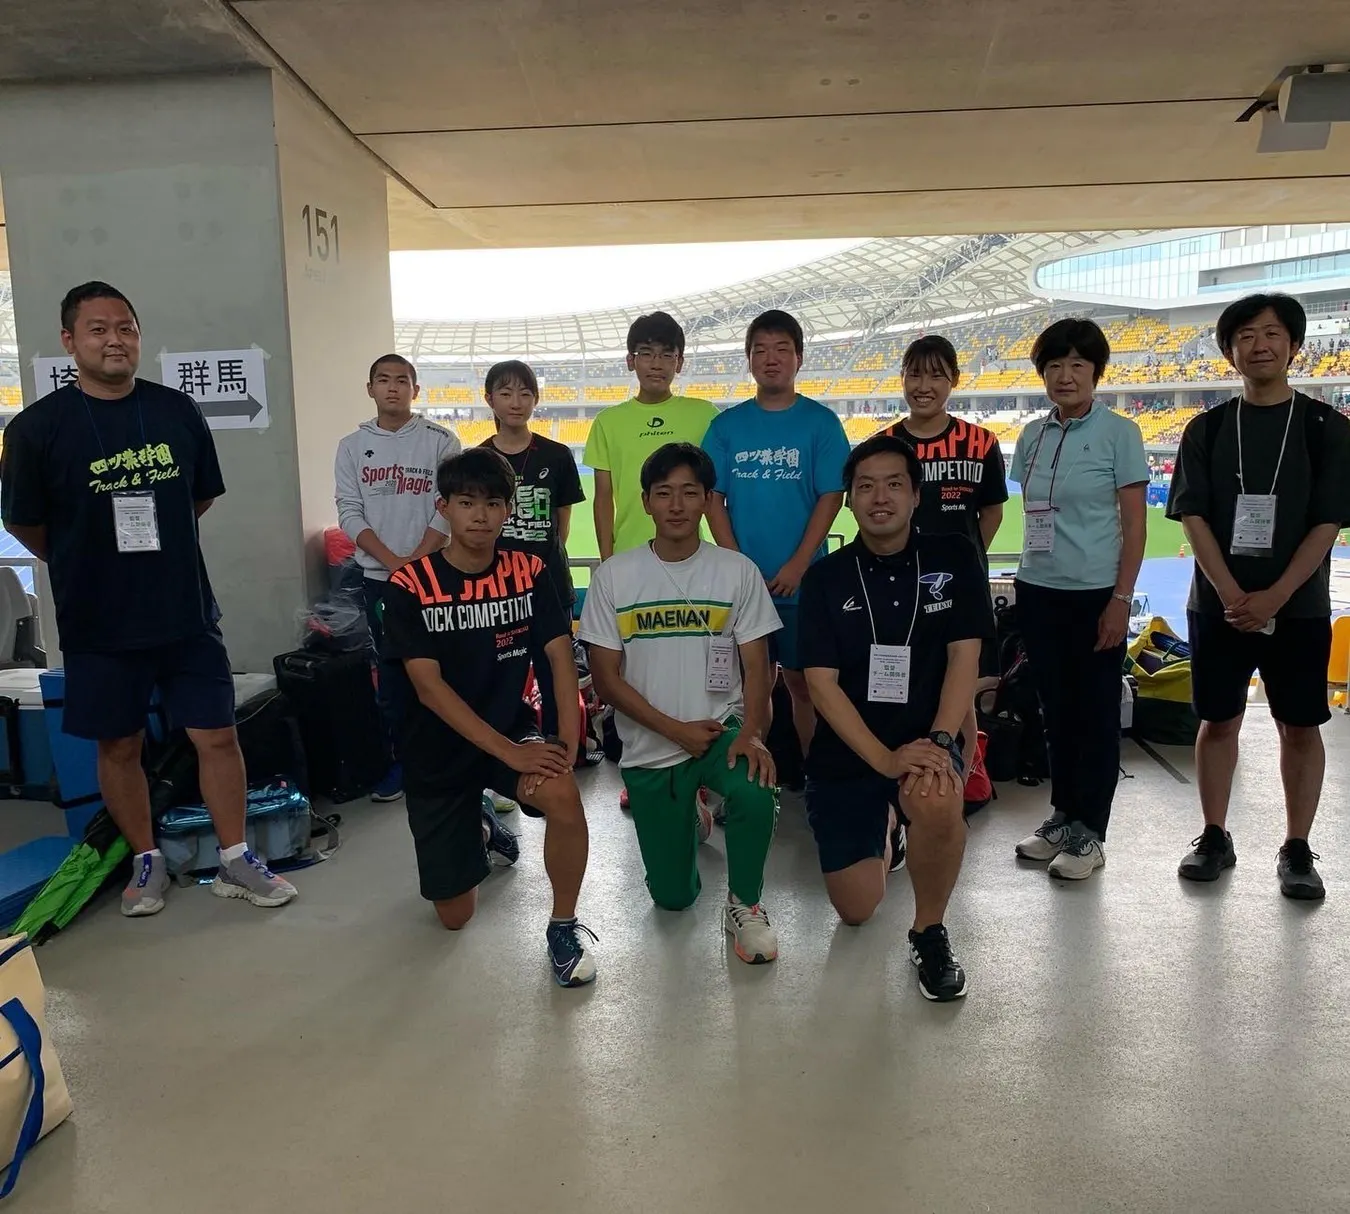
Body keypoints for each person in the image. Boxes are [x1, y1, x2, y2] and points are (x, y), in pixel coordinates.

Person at [0, 281, 296, 916]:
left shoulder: (176, 411)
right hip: (99, 622)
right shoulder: (35, 430)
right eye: (99, 329)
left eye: (126, 328)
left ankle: (236, 858)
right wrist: (84, 559)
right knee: (119, 746)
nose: (115, 340)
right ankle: (145, 860)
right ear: (69, 341)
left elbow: (198, 497)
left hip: (184, 612)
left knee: (217, 736)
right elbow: (25, 522)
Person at [381, 448, 597, 987]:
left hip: (508, 729)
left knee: (561, 792)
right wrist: (510, 754)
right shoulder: (410, 585)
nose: (480, 515)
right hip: (436, 748)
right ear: (444, 508)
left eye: (493, 503)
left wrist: (566, 742)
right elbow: (428, 688)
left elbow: (557, 655)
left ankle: (563, 926)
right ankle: (481, 823)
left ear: (508, 510)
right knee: (456, 917)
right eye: (466, 502)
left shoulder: (530, 570)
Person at [1168, 293, 1350, 899]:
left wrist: (1275, 595)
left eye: (1272, 334)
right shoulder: (1208, 428)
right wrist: (1231, 593)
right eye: (1245, 335)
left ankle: (1297, 846)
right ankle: (1213, 835)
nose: (1259, 345)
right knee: (1218, 720)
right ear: (1229, 352)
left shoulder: (1327, 428)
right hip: (1217, 606)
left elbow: (1328, 521)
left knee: (1299, 725)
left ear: (1294, 346)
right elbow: (1193, 516)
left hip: (1298, 608)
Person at [799, 435, 991, 1001]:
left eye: (893, 484)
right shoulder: (826, 578)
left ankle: (929, 931)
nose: (879, 497)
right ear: (849, 499)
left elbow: (964, 657)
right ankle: (887, 821)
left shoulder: (954, 556)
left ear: (915, 495)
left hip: (925, 734)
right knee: (857, 909)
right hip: (851, 749)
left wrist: (940, 740)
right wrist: (885, 761)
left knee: (935, 795)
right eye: (865, 487)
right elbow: (820, 684)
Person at [579, 443, 782, 964]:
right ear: (646, 501)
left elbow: (758, 665)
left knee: (756, 788)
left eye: (690, 493)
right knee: (674, 898)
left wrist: (751, 734)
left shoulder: (737, 571)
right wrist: (676, 731)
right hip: (652, 745)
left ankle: (745, 905)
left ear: (708, 500)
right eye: (664, 493)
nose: (676, 505)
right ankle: (692, 815)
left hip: (720, 730)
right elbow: (605, 680)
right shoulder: (614, 576)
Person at [1009, 318, 1148, 879]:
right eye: (1054, 366)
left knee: (1094, 715)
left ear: (1095, 372)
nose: (1064, 376)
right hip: (1038, 588)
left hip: (1095, 595)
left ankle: (1092, 831)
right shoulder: (1032, 436)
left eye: (1077, 365)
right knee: (1055, 710)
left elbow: (1134, 526)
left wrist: (1121, 598)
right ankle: (1063, 815)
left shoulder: (1120, 433)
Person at [703, 309, 850, 767]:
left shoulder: (821, 423)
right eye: (760, 350)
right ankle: (752, 773)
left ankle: (815, 773)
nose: (771, 359)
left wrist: (799, 564)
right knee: (753, 684)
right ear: (748, 359)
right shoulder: (726, 427)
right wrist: (738, 566)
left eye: (782, 349)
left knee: (807, 684)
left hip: (804, 584)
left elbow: (832, 495)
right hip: (745, 587)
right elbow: (712, 498)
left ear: (798, 358)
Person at [335, 354, 460, 802]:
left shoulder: (441, 441)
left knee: (449, 668)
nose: (393, 388)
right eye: (383, 380)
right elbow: (349, 512)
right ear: (370, 388)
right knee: (393, 675)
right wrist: (393, 563)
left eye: (402, 380)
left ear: (415, 390)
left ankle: (453, 760)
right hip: (379, 580)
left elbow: (449, 506)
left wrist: (418, 560)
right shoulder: (352, 446)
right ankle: (403, 764)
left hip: (437, 575)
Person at [478, 359, 585, 739]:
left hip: (549, 584)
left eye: (525, 393)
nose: (516, 402)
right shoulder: (480, 460)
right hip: (496, 590)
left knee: (556, 673)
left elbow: (561, 523)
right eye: (506, 393)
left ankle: (559, 747)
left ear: (536, 399)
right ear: (489, 399)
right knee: (497, 677)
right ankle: (503, 749)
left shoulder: (556, 455)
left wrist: (539, 564)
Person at [583, 312, 719, 561]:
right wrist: (607, 560)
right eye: (646, 353)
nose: (656, 364)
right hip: (628, 556)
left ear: (679, 362)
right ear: (630, 360)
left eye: (667, 355)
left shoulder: (705, 415)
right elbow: (603, 499)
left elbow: (716, 494)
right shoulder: (607, 422)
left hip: (690, 556)